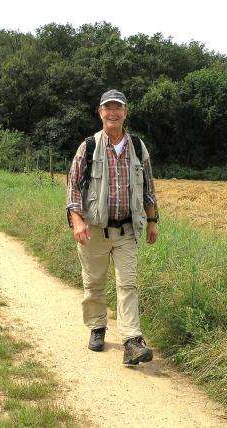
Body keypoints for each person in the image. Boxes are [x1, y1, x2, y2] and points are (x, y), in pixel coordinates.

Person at [66, 89, 159, 365]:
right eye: (108, 108)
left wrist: (152, 220)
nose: (113, 112)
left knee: (127, 284)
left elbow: (149, 189)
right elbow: (72, 185)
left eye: (118, 107)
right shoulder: (88, 146)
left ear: (125, 112)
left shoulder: (138, 147)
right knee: (94, 282)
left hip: (127, 230)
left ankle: (132, 340)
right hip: (94, 230)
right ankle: (97, 327)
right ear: (100, 112)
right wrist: (77, 220)